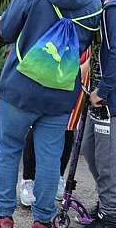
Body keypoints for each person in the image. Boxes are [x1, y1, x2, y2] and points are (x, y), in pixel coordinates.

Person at [0, 0, 102, 228]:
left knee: (9, 148)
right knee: (50, 156)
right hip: (60, 92)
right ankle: (42, 223)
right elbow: (92, 45)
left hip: (19, 87)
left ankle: (3, 218)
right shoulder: (93, 2)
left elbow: (7, 31)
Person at [70, 0, 116, 228]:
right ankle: (108, 204)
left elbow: (115, 54)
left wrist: (103, 89)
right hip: (102, 94)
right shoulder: (107, 5)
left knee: (106, 155)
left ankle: (111, 216)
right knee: (89, 147)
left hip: (109, 99)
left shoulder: (113, 10)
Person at [19, 51, 90, 207]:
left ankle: (58, 177)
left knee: (69, 127)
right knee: (37, 124)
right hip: (55, 60)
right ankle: (28, 180)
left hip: (82, 71)